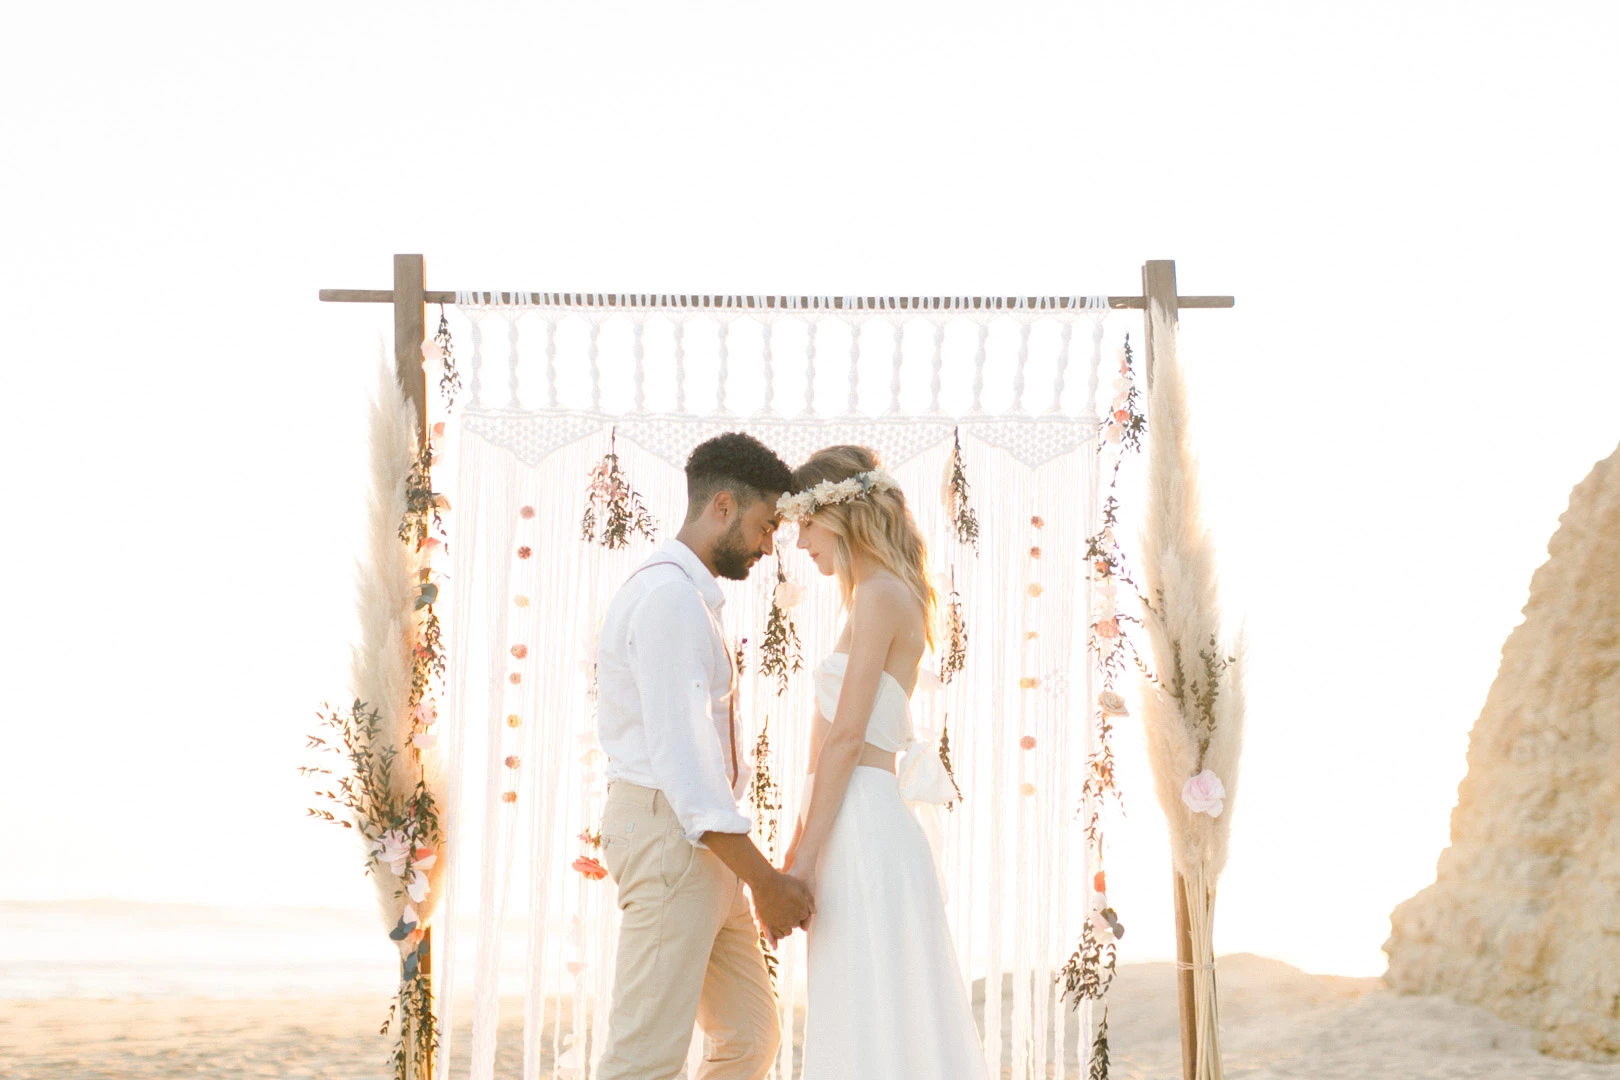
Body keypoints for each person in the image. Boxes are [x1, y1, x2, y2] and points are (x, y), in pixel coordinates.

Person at [595, 432, 814, 1080]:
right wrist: (767, 881)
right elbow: (686, 764)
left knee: (749, 1036)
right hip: (672, 834)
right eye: (765, 523)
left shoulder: (690, 599)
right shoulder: (669, 601)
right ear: (723, 504)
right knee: (643, 1058)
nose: (770, 543)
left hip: (702, 844)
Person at [780, 444, 990, 1080]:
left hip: (863, 824)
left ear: (839, 514)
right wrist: (801, 847)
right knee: (865, 1009)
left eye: (805, 525)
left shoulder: (878, 594)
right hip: (855, 820)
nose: (799, 543)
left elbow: (844, 739)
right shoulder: (877, 593)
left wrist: (801, 862)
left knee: (873, 1012)